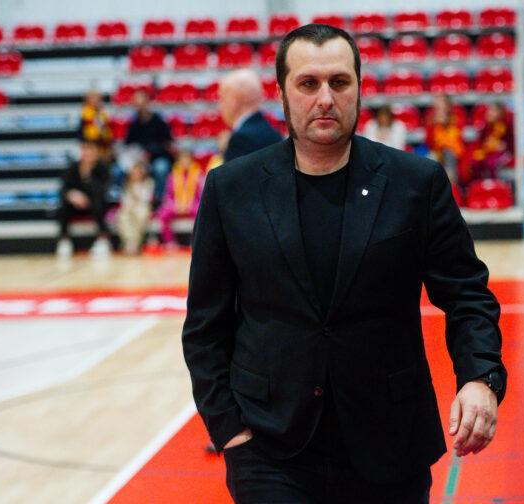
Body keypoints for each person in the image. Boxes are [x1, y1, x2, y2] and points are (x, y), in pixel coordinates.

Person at [182, 24, 506, 504]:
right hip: (269, 449)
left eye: (339, 82)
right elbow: (205, 326)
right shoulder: (231, 189)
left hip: (390, 443)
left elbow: (467, 295)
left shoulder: (416, 183)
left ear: (358, 87)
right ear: (282, 94)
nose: (325, 99)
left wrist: (480, 378)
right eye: (308, 83)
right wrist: (228, 430)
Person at [55, 141, 111, 258]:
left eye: (91, 151)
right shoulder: (73, 167)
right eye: (85, 150)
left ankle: (103, 238)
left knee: (99, 205)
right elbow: (63, 188)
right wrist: (71, 195)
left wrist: (87, 175)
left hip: (93, 202)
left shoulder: (102, 168)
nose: (87, 154)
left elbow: (103, 189)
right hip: (75, 204)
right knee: (63, 207)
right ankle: (64, 239)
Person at [219, 68, 283, 162]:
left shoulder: (240, 140)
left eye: (222, 98)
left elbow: (231, 171)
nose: (220, 105)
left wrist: (226, 152)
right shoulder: (274, 134)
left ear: (234, 100)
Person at [125, 90, 174, 203]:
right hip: (140, 161)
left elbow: (168, 144)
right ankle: (130, 202)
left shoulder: (159, 122)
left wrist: (152, 151)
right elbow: (129, 145)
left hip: (158, 157)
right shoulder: (133, 125)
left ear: (147, 103)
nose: (140, 108)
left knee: (161, 168)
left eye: (142, 104)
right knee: (121, 170)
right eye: (137, 105)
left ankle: (160, 201)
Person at [155, 150, 204, 247]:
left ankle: (195, 241)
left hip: (192, 205)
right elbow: (168, 195)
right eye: (182, 159)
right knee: (163, 214)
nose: (185, 161)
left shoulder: (199, 175)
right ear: (178, 161)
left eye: (187, 159)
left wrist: (188, 205)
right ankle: (170, 241)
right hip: (175, 205)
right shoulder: (172, 176)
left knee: (200, 213)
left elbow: (201, 195)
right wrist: (176, 205)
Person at [115, 159, 154, 255]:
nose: (135, 174)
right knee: (122, 216)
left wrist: (134, 192)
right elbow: (125, 200)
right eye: (133, 172)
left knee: (141, 214)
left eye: (137, 172)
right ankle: (130, 241)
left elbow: (146, 199)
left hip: (142, 207)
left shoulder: (148, 183)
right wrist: (130, 207)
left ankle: (135, 243)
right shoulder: (126, 184)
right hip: (129, 207)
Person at [425, 95, 464, 183]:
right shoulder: (430, 120)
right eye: (437, 105)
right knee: (430, 157)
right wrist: (434, 126)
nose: (439, 107)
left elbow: (457, 139)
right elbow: (428, 142)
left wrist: (445, 125)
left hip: (453, 152)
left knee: (449, 153)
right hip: (436, 152)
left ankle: (453, 183)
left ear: (447, 106)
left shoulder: (456, 119)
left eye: (441, 105)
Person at [472, 103, 514, 180]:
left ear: (500, 113)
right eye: (489, 111)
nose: (490, 113)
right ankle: (480, 183)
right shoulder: (486, 125)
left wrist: (505, 146)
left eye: (493, 111)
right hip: (487, 152)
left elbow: (511, 144)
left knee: (491, 163)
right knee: (475, 162)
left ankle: (494, 184)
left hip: (502, 154)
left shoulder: (506, 125)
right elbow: (481, 141)